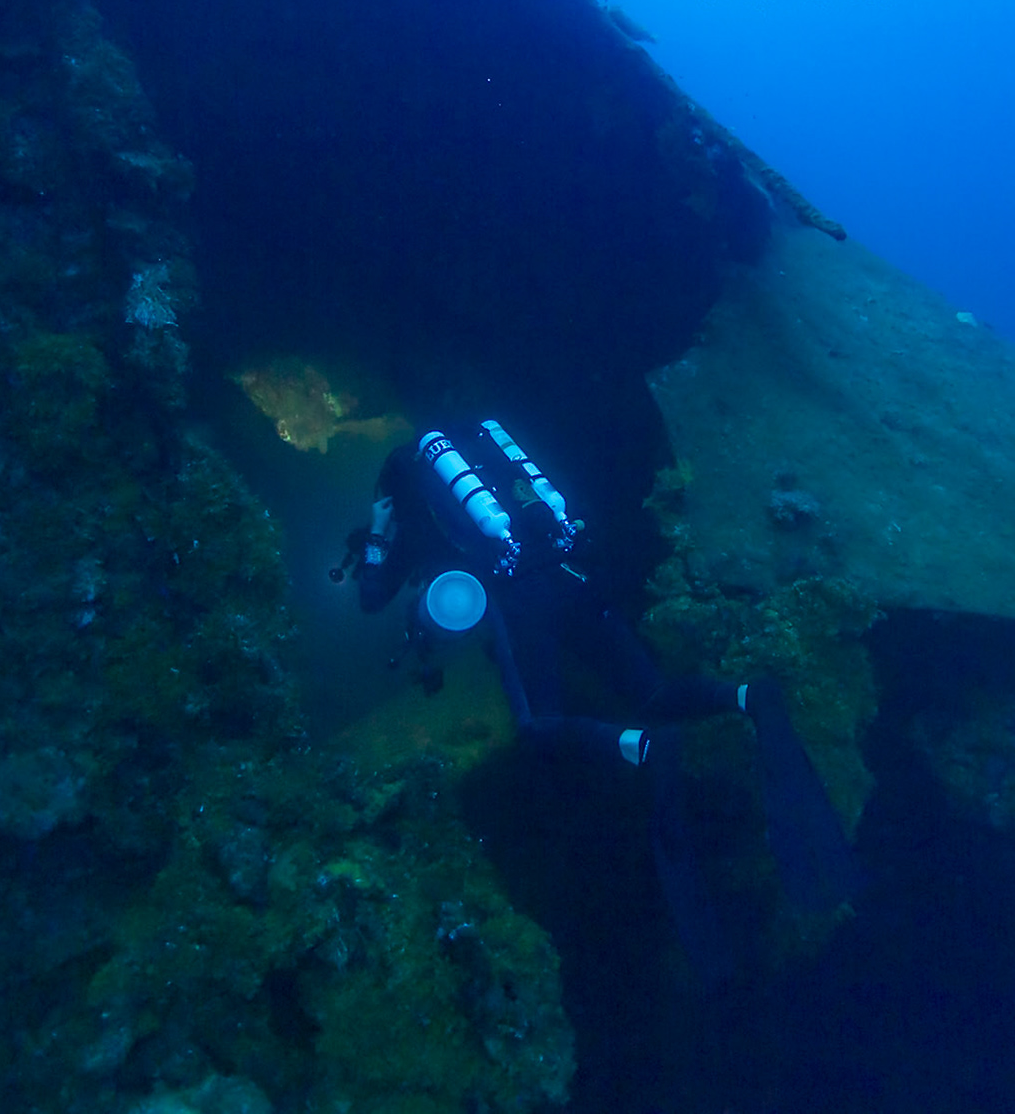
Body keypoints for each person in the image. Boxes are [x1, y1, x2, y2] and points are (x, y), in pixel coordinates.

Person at [335, 420, 858, 979]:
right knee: (653, 692)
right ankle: (750, 696)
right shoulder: (489, 457)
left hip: (523, 603)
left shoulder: (408, 509)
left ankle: (639, 747)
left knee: (539, 724)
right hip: (572, 573)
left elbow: (371, 599)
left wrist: (376, 532)